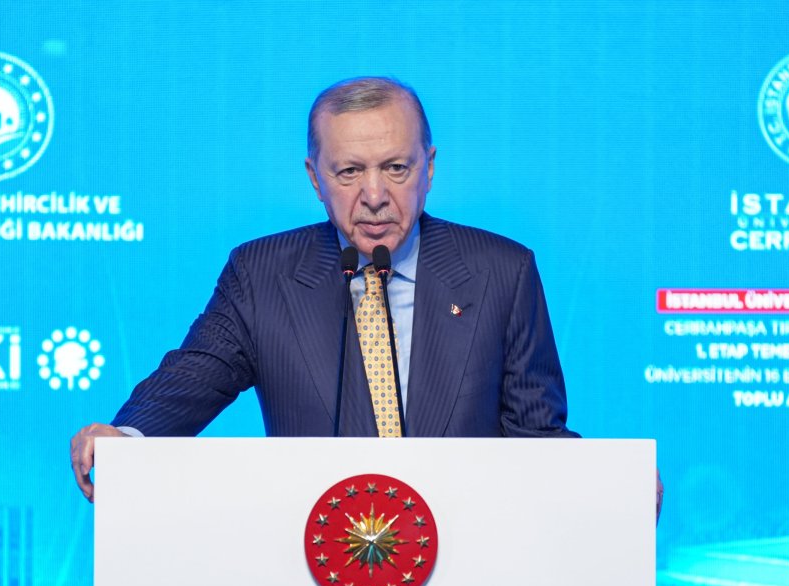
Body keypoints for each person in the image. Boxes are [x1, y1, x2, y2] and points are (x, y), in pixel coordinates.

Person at [70, 76, 662, 517]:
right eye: (350, 171)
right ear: (314, 178)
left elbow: (537, 438)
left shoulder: (500, 272)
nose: (375, 195)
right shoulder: (262, 275)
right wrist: (125, 441)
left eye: (396, 168)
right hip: (305, 574)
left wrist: (610, 485)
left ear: (430, 167)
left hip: (464, 583)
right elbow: (193, 379)